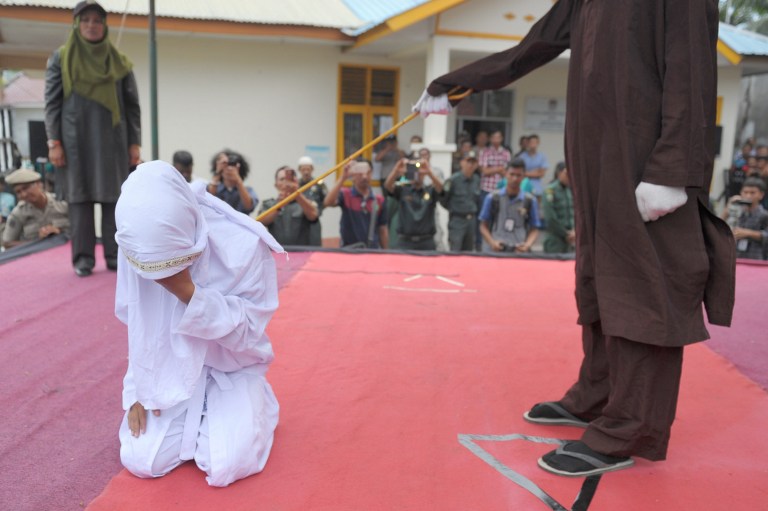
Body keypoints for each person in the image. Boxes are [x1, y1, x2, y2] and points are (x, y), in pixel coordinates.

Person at [415, 0, 735, 477]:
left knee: (643, 283)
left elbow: (693, 66)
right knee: (597, 275)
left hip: (645, 148)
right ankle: (598, 392)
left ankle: (631, 425)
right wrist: (458, 84)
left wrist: (673, 168)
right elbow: (540, 40)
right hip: (592, 143)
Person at [114, 160, 281, 488]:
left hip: (231, 366)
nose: (157, 279)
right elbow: (140, 324)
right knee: (141, 459)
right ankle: (201, 414)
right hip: (168, 364)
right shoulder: (136, 240)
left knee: (227, 464)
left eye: (167, 267)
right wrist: (137, 390)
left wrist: (189, 293)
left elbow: (249, 333)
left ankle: (257, 399)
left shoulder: (243, 246)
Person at [45, 1, 141, 277]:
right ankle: (83, 260)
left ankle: (114, 257)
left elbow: (132, 106)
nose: (91, 25)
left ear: (105, 25)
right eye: (85, 20)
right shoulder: (60, 58)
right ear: (77, 24)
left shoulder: (119, 62)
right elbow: (51, 103)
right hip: (74, 141)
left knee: (115, 200)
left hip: (113, 141)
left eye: (97, 20)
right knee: (80, 200)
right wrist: (55, 142)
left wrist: (134, 143)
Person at [478, 161, 540, 254]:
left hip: (519, 250)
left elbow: (534, 228)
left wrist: (527, 245)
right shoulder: (493, 198)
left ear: (524, 177)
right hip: (497, 249)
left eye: (518, 175)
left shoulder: (530, 200)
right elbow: (483, 226)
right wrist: (492, 242)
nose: (515, 179)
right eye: (511, 174)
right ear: (505, 174)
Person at [324, 160, 388, 249]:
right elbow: (328, 202)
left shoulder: (379, 200)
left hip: (371, 252)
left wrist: (386, 253)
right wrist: (343, 177)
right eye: (360, 173)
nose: (364, 177)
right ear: (353, 176)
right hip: (349, 250)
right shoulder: (346, 195)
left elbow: (382, 229)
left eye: (368, 173)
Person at [384, 157, 444, 250]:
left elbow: (441, 189)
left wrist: (429, 172)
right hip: (405, 241)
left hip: (426, 241)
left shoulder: (430, 190)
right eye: (413, 170)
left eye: (419, 171)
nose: (417, 174)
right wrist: (396, 170)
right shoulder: (403, 189)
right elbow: (388, 186)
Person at [2, 168, 70, 250]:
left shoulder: (62, 204)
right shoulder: (18, 213)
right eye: (18, 192)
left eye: (26, 188)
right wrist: (37, 242)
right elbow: (7, 243)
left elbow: (82, 230)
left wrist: (60, 233)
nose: (23, 194)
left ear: (39, 184)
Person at [259, 166, 319, 246]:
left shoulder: (305, 202)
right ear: (276, 184)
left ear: (296, 181)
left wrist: (297, 193)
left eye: (290, 179)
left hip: (301, 254)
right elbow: (260, 222)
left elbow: (313, 216)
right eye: (282, 179)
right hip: (276, 254)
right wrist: (279, 205)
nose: (286, 183)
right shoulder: (269, 204)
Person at [441, 151, 481, 252]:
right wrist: (454, 208)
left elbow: (477, 199)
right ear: (462, 163)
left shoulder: (476, 179)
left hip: (471, 220)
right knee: (455, 250)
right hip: (457, 220)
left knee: (469, 252)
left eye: (473, 162)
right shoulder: (453, 180)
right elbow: (443, 199)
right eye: (468, 162)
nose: (471, 165)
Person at [721, 177, 768, 260]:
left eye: (752, 193)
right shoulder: (737, 212)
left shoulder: (764, 214)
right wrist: (728, 207)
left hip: (756, 259)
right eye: (745, 192)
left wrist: (749, 233)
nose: (748, 196)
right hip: (736, 257)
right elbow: (717, 228)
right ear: (741, 193)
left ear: (761, 195)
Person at [206, 151, 258, 215]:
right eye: (226, 165)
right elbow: (207, 201)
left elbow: (249, 206)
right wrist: (217, 172)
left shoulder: (248, 190)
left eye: (232, 165)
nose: (229, 168)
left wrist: (238, 180)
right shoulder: (214, 187)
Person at [542, 162, 575, 254]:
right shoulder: (550, 191)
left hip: (571, 239)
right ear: (559, 173)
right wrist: (566, 234)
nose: (570, 176)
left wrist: (574, 231)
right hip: (555, 239)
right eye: (566, 173)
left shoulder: (571, 190)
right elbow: (550, 218)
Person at [297, 155, 327, 246]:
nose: (306, 172)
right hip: (298, 221)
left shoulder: (319, 184)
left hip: (314, 222)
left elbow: (326, 200)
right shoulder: (296, 185)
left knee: (315, 248)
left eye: (308, 169)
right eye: (303, 169)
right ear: (299, 170)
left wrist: (317, 209)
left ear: (312, 169)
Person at [518, 134, 548, 199]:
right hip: (523, 185)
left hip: (537, 187)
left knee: (536, 207)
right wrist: (536, 171)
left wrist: (527, 173)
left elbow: (542, 173)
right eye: (531, 142)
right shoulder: (522, 157)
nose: (533, 144)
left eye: (535, 142)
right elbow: (520, 172)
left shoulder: (542, 157)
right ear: (528, 143)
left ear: (538, 143)